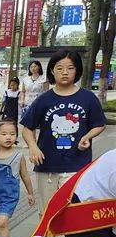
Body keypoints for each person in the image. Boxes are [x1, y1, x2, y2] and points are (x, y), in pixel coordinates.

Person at [20, 49, 107, 214]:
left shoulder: (88, 98)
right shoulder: (44, 99)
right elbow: (27, 127)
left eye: (70, 68)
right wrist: (33, 147)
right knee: (47, 213)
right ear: (52, 70)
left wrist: (88, 136)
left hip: (77, 165)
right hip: (47, 166)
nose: (65, 72)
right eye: (59, 68)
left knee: (73, 212)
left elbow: (99, 124)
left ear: (77, 70)